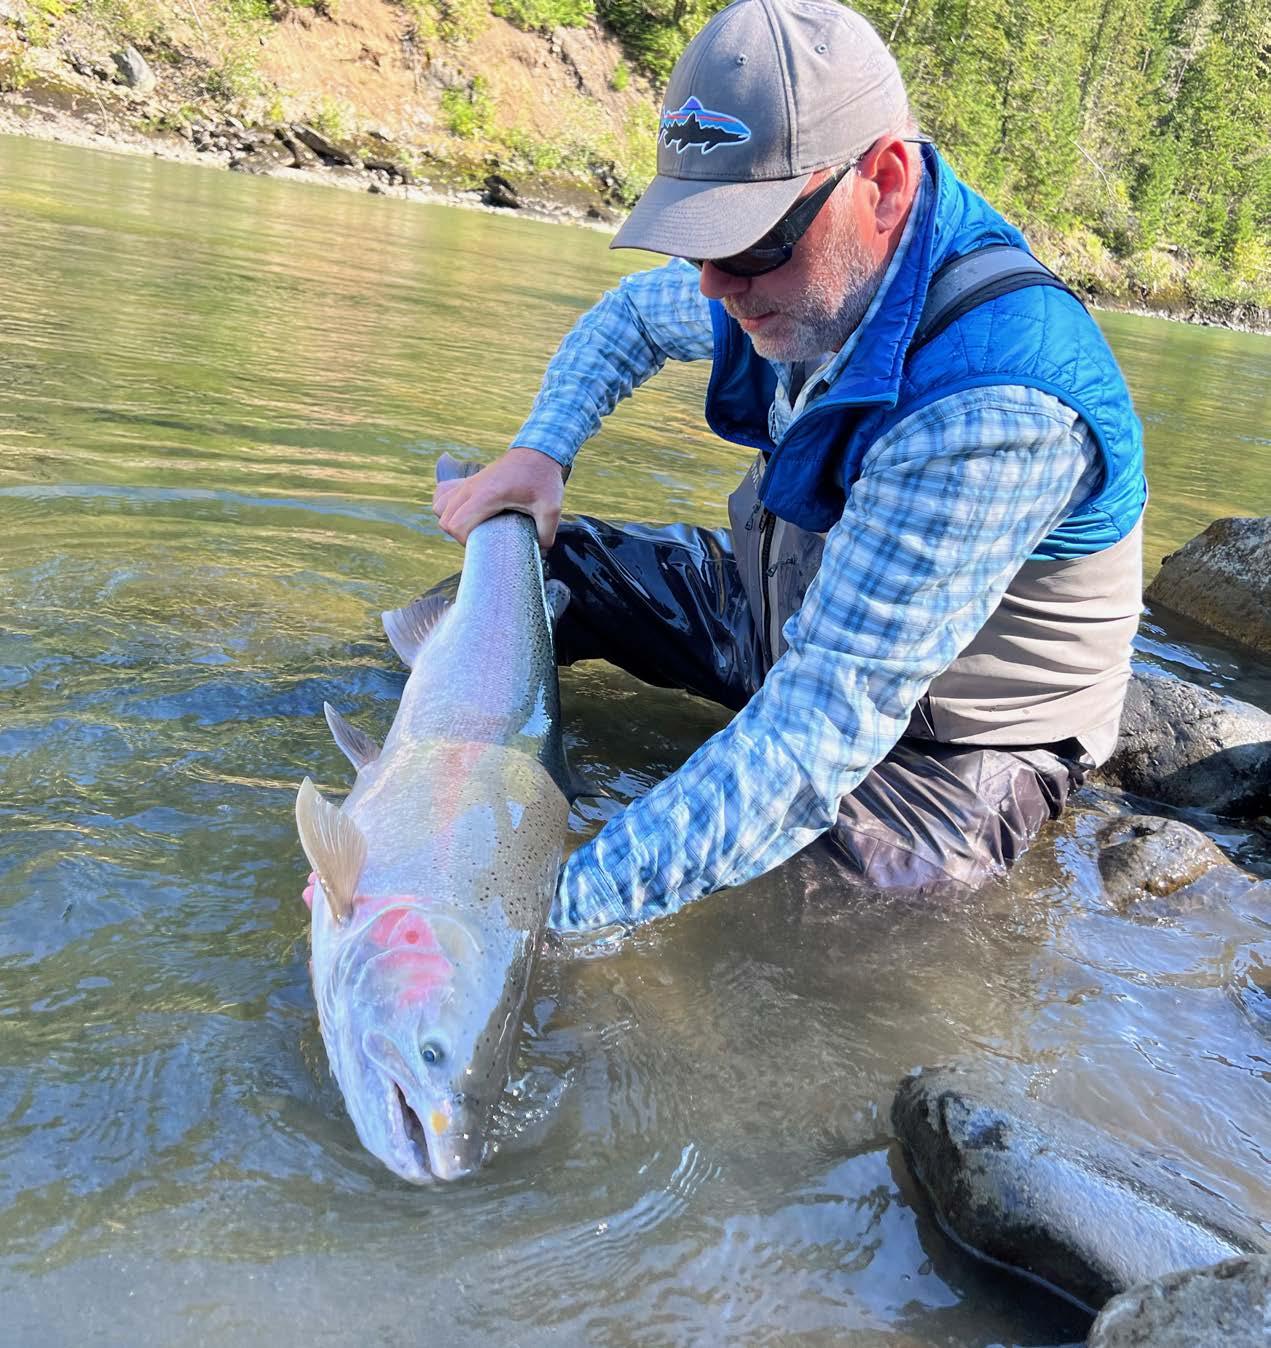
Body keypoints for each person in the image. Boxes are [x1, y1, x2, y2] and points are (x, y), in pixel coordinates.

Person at [433, 0, 1146, 933]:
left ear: (882, 183)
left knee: (797, 923)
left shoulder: (995, 402)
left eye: (747, 239)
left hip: (949, 742)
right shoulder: (796, 274)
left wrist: (523, 920)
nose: (713, 284)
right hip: (780, 619)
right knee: (524, 577)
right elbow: (632, 318)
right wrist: (541, 451)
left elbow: (817, 728)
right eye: (699, 239)